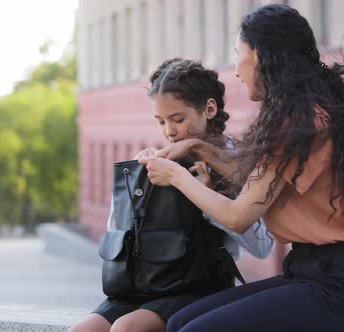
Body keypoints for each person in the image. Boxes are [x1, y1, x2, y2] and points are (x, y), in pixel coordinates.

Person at [139, 4, 344, 332]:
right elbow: (248, 175)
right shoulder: (298, 115)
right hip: (308, 271)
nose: (238, 70)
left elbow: (238, 217)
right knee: (179, 322)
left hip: (338, 287)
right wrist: (197, 146)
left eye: (238, 52)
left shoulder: (300, 124)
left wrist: (176, 175)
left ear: (260, 56)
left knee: (193, 330)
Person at [70, 58, 274, 332]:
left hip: (199, 286)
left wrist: (205, 194)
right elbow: (118, 233)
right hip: (144, 284)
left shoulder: (235, 162)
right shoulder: (162, 160)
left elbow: (263, 246)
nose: (169, 131)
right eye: (161, 121)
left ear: (209, 108)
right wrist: (138, 190)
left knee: (127, 328)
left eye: (178, 119)